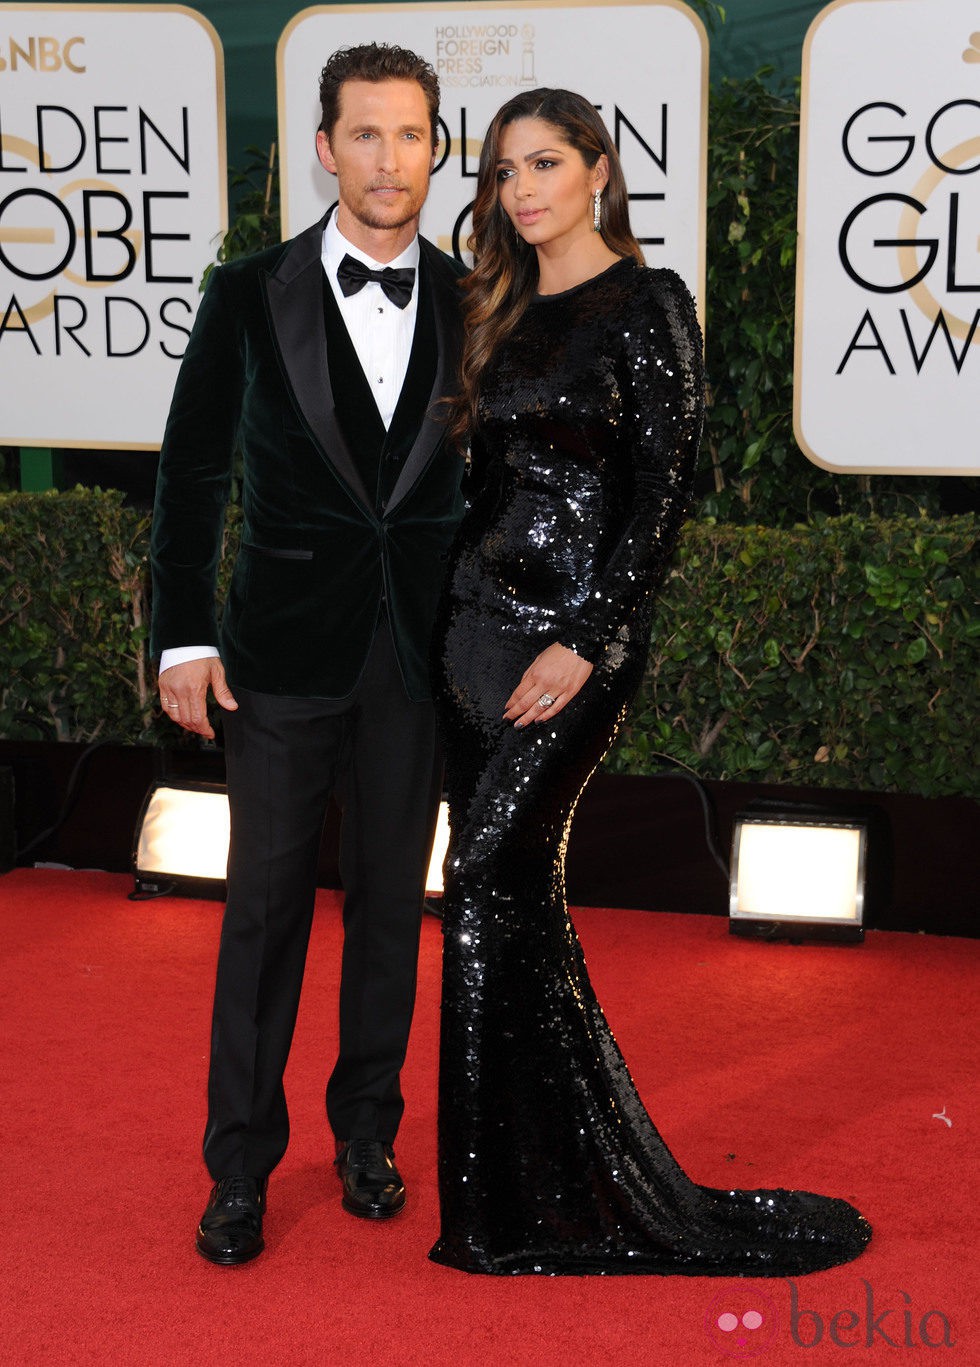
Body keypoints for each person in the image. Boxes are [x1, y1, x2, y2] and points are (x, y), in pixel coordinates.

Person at [429, 88, 871, 1276]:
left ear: (598, 171)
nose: (520, 190)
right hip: (469, 635)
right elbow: (468, 489)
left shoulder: (647, 302)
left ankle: (511, 1199)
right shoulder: (494, 307)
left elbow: (658, 495)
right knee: (508, 897)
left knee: (480, 873)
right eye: (502, 169)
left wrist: (588, 634)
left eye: (544, 163)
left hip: (572, 642)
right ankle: (523, 1185)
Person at [150, 43, 466, 1266]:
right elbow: (190, 470)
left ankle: (368, 1133)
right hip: (276, 655)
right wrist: (181, 633)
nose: (391, 160)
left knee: (393, 910)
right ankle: (238, 1167)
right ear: (325, 148)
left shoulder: (469, 294)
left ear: (437, 147)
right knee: (263, 918)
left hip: (413, 659)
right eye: (367, 135)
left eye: (412, 135)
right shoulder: (248, 291)